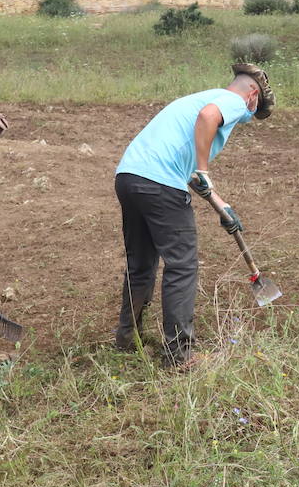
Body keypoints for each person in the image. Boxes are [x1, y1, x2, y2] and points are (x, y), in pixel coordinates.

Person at [114, 62, 275, 366]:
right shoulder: (232, 101)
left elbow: (182, 162)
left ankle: (126, 337)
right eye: (254, 112)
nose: (247, 119)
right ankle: (179, 355)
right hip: (160, 183)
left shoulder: (195, 98)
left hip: (130, 178)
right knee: (182, 266)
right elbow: (209, 118)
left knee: (141, 264)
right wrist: (203, 168)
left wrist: (220, 204)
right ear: (253, 96)